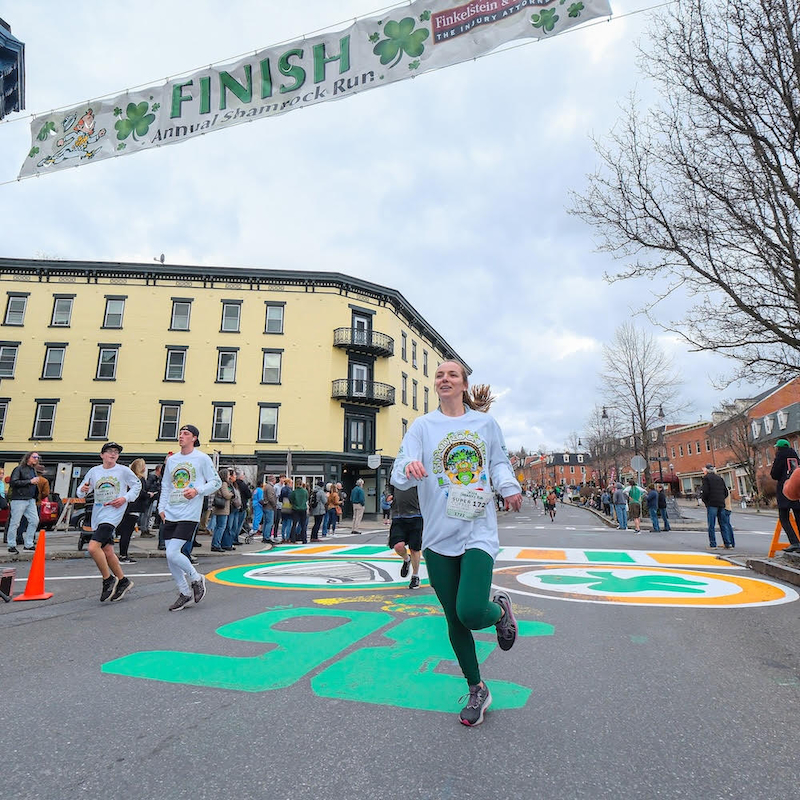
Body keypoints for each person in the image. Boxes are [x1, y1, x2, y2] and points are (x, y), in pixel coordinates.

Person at [391, 360, 522, 727]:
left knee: (470, 611)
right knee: (455, 618)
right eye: (439, 375)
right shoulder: (422, 427)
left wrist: (509, 487)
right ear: (435, 385)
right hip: (437, 534)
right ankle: (477, 686)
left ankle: (498, 612)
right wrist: (408, 469)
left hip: (478, 529)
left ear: (464, 384)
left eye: (452, 374)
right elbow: (400, 468)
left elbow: (498, 463)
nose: (444, 379)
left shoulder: (484, 424)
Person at [158, 424, 221, 610]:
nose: (181, 436)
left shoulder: (202, 458)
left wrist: (197, 491)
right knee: (171, 558)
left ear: (194, 438)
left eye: (186, 434)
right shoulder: (172, 460)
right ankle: (184, 592)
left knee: (172, 552)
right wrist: (161, 507)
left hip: (189, 513)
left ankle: (196, 578)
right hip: (171, 511)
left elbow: (216, 482)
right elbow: (166, 485)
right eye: (180, 433)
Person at [77, 442, 141, 602]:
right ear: (102, 455)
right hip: (99, 513)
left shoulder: (123, 470)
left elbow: (137, 485)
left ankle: (108, 579)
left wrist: (124, 498)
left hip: (113, 513)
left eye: (116, 452)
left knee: (93, 548)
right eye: (109, 451)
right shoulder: (94, 471)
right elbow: (82, 489)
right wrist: (82, 490)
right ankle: (123, 581)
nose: (113, 454)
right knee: (107, 552)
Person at [388, 485, 423, 589]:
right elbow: (389, 486)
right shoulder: (395, 468)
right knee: (398, 546)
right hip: (398, 514)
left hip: (417, 514)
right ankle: (406, 559)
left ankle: (415, 576)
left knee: (414, 548)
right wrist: (388, 494)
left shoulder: (421, 469)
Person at [6, 452, 42, 553]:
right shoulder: (19, 469)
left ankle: (29, 544)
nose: (36, 459)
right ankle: (11, 544)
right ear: (28, 458)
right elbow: (13, 482)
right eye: (34, 457)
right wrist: (30, 481)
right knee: (15, 522)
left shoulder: (32, 470)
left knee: (34, 520)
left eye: (37, 457)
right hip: (19, 499)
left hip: (30, 499)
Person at [116, 458, 149, 563]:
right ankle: (123, 555)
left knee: (124, 532)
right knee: (127, 533)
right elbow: (141, 493)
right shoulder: (140, 479)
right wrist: (149, 495)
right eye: (144, 465)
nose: (145, 467)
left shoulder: (128, 478)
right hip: (134, 508)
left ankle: (122, 554)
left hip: (125, 507)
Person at [770, 439, 800, 554]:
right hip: (796, 489)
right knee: (798, 517)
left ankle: (794, 542)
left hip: (785, 490)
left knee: (784, 517)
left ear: (779, 448)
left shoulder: (780, 456)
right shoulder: (795, 456)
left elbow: (774, 474)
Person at [700, 464, 732, 549]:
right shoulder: (720, 478)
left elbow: (705, 492)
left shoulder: (706, 478)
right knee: (723, 524)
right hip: (721, 503)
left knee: (711, 525)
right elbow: (725, 492)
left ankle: (713, 544)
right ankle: (727, 543)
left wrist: (705, 501)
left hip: (712, 503)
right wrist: (721, 499)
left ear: (706, 470)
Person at [210, 469, 234, 552]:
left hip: (220, 508)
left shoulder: (219, 483)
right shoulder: (224, 484)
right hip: (223, 509)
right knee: (221, 527)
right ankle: (216, 544)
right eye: (228, 474)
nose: (229, 476)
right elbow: (226, 495)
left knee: (218, 527)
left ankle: (216, 544)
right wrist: (232, 494)